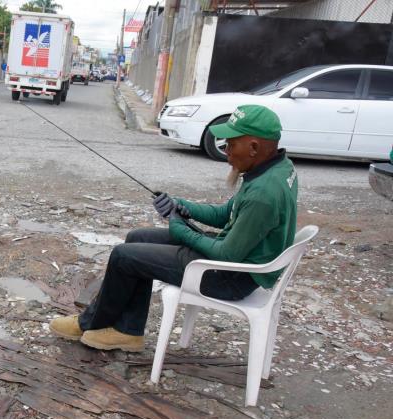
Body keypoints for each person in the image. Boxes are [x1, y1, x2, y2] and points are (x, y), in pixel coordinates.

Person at [50, 104, 298, 352]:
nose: (226, 152)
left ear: (254, 147)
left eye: (231, 145)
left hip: (228, 276)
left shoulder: (264, 193)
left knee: (123, 256)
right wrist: (180, 206)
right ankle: (127, 330)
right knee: (138, 237)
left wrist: (180, 229)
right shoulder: (274, 168)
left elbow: (227, 255)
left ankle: (90, 324)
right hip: (236, 259)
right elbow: (225, 215)